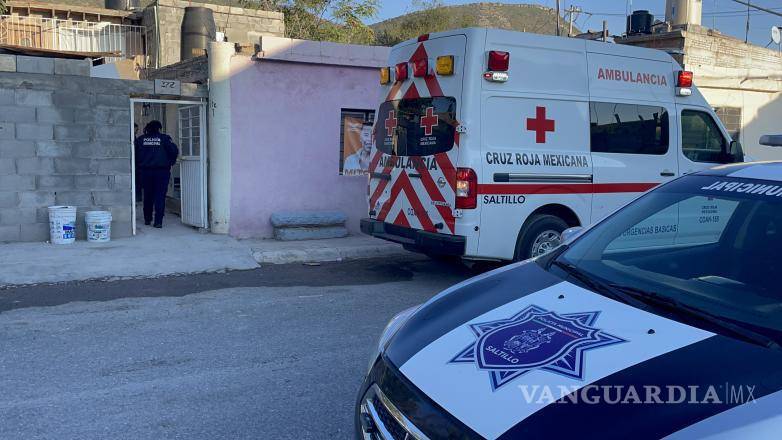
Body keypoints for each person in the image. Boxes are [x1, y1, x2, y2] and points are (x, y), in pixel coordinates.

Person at [134, 120, 178, 228]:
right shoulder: (164, 138)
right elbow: (174, 151)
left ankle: (147, 219)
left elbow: (134, 155)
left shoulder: (140, 140)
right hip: (161, 172)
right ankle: (158, 221)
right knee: (160, 196)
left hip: (145, 172)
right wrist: (171, 162)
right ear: (159, 128)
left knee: (147, 196)